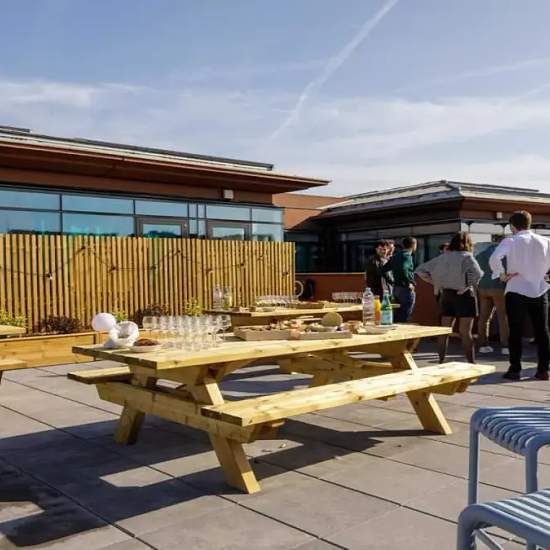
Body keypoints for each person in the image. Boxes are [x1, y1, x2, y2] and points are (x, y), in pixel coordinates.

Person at [490, 210, 550, 381]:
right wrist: (547, 275)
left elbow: (494, 259)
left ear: (512, 226)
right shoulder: (545, 240)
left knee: (515, 330)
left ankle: (515, 369)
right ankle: (543, 369)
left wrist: (502, 274)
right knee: (542, 331)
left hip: (516, 288)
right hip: (539, 288)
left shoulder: (511, 241)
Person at [415, 232, 483, 364]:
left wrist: (435, 282)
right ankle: (471, 363)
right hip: (464, 295)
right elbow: (478, 274)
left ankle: (441, 360)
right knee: (465, 332)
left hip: (446, 295)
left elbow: (420, 270)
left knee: (444, 330)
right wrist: (466, 285)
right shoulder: (467, 256)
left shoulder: (443, 257)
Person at [475, 235, 509, 356]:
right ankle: (505, 346)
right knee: (503, 317)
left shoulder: (481, 254)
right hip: (499, 287)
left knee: (484, 317)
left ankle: (483, 345)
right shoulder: (505, 254)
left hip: (483, 288)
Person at [382, 236, 417, 322]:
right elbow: (404, 268)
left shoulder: (396, 256)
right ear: (414, 245)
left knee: (397, 314)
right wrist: (409, 283)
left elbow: (383, 269)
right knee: (405, 315)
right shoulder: (407, 256)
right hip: (405, 289)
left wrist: (392, 281)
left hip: (396, 289)